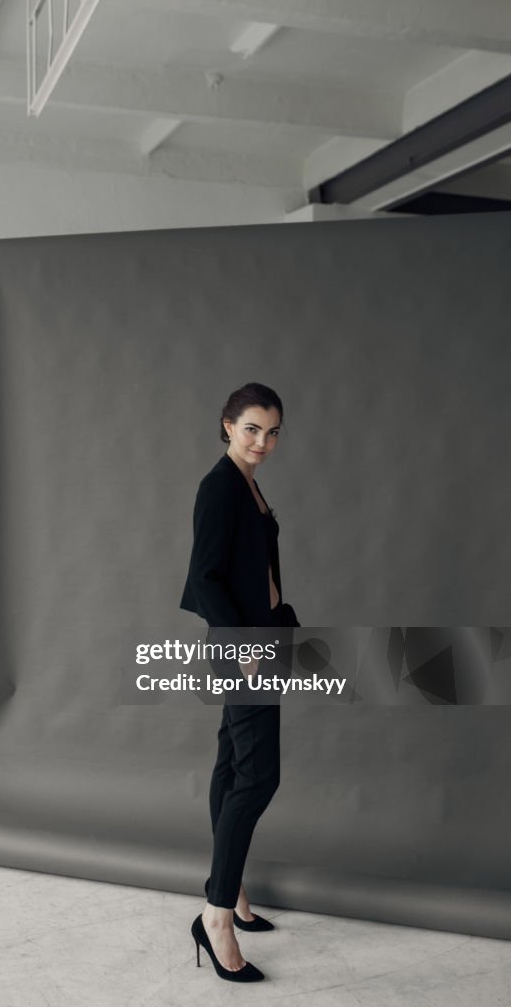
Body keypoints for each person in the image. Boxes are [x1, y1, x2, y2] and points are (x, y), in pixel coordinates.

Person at [180, 382, 300, 983]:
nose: (263, 441)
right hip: (244, 647)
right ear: (227, 425)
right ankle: (216, 913)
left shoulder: (247, 484)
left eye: (273, 431)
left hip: (264, 637)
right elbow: (203, 579)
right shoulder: (220, 486)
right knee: (258, 775)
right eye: (252, 428)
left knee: (232, 764)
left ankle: (232, 888)